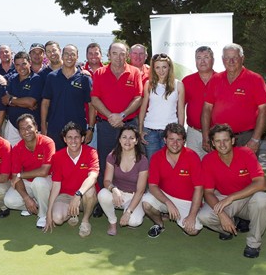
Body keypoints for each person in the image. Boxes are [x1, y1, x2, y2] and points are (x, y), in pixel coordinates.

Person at [198, 124, 266, 259]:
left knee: (262, 199)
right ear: (213, 144)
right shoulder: (208, 160)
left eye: (226, 140)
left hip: (248, 198)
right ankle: (229, 226)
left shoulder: (246, 153)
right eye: (218, 141)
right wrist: (222, 215)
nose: (222, 144)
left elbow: (261, 184)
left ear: (232, 141)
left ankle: (253, 244)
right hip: (224, 198)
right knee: (204, 216)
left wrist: (231, 198)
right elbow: (208, 192)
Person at [90, 42, 143, 187]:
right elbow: (94, 99)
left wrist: (122, 115)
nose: (118, 58)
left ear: (126, 55)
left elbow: (138, 98)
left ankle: (132, 196)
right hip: (106, 126)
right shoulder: (100, 73)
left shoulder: (135, 72)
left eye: (122, 54)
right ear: (109, 55)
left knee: (132, 159)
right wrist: (111, 116)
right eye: (115, 54)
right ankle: (102, 197)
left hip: (129, 124)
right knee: (104, 160)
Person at [202, 43, 266, 156]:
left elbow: (264, 110)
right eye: (227, 58)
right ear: (223, 60)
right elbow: (206, 108)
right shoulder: (215, 79)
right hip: (220, 138)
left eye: (235, 57)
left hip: (246, 138)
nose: (231, 61)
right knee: (221, 172)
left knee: (245, 173)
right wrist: (205, 136)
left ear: (242, 58)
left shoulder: (255, 79)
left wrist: (256, 139)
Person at [141, 123, 204, 237]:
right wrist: (168, 202)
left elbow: (199, 188)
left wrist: (192, 215)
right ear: (165, 140)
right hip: (166, 196)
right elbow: (153, 186)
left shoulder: (192, 156)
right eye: (171, 139)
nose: (175, 144)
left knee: (193, 231)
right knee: (146, 202)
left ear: (184, 141)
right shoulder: (157, 157)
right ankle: (159, 224)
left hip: (187, 201)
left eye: (179, 140)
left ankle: (180, 217)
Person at [44, 123, 99, 237]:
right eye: (69, 137)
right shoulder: (57, 157)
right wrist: (48, 212)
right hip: (66, 195)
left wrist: (78, 194)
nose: (73, 141)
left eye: (76, 137)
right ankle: (73, 214)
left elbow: (93, 177)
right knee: (57, 219)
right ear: (64, 139)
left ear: (82, 138)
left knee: (89, 190)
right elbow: (56, 186)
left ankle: (85, 221)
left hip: (84, 195)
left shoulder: (91, 152)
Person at [4, 114, 56, 229]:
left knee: (39, 181)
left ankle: (43, 215)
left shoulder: (48, 142)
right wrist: (26, 198)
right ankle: (33, 206)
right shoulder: (17, 148)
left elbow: (44, 171)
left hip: (48, 181)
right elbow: (15, 177)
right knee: (9, 201)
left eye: (29, 127)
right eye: (22, 129)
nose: (26, 131)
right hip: (28, 182)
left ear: (36, 127)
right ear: (19, 132)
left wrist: (20, 175)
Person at [97, 127, 149, 235]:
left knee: (134, 221)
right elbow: (106, 180)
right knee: (102, 194)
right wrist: (114, 190)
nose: (127, 141)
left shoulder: (143, 160)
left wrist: (128, 212)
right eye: (124, 137)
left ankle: (128, 211)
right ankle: (112, 222)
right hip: (118, 194)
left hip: (134, 196)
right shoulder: (112, 156)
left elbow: (140, 190)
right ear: (119, 140)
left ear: (136, 141)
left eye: (131, 138)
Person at [41, 44, 93, 149]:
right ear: (62, 55)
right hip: (55, 128)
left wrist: (91, 129)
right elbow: (45, 103)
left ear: (77, 56)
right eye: (66, 54)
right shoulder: (52, 77)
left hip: (77, 130)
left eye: (72, 54)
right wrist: (43, 125)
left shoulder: (84, 79)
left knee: (76, 162)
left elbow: (92, 105)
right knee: (56, 162)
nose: (69, 57)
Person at [138, 53, 185, 158]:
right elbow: (143, 108)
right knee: (153, 164)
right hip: (150, 131)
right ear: (153, 69)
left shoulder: (179, 85)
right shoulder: (148, 84)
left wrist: (180, 132)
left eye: (164, 67)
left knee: (169, 163)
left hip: (171, 132)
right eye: (157, 67)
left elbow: (181, 111)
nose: (161, 70)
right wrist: (140, 129)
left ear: (169, 68)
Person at [2, 51, 43, 145]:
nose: (21, 67)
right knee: (11, 154)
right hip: (13, 125)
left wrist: (12, 100)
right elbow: (4, 99)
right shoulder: (12, 79)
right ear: (15, 66)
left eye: (24, 63)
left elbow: (31, 102)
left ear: (30, 63)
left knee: (32, 155)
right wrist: (23, 102)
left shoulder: (37, 80)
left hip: (31, 126)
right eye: (18, 65)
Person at [182, 46, 216, 158]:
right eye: (199, 58)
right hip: (193, 133)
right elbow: (180, 107)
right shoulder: (187, 81)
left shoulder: (221, 79)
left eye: (206, 57)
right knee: (193, 168)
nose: (202, 61)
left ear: (213, 59)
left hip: (216, 133)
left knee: (215, 170)